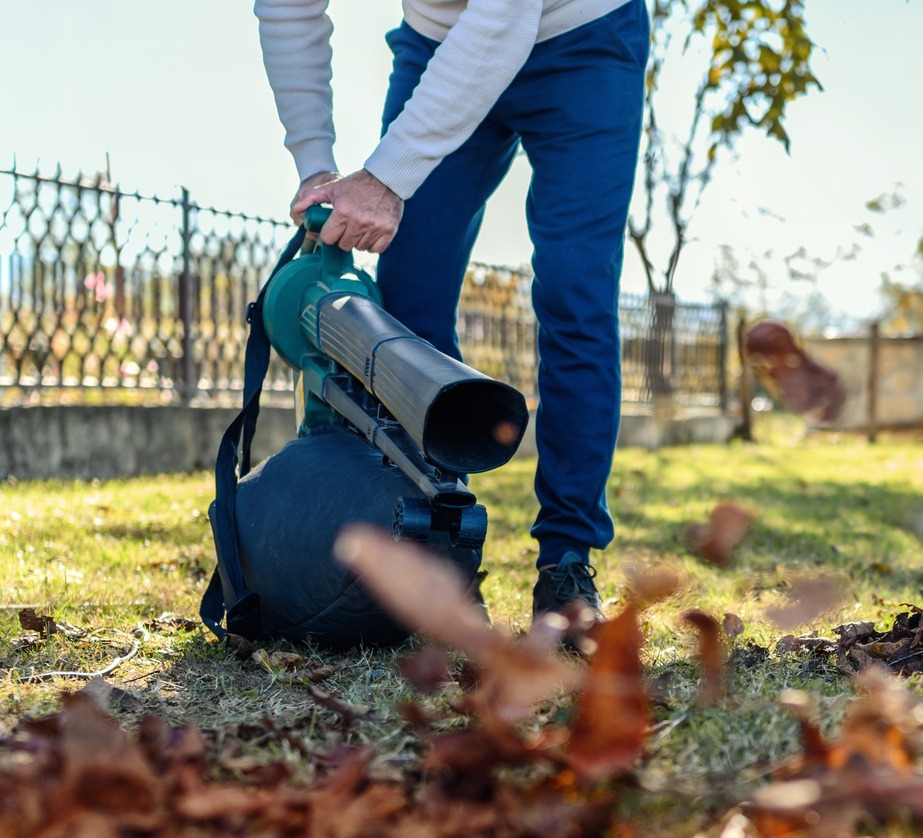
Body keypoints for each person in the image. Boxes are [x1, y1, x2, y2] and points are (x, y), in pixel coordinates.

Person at [255, 0, 649, 620]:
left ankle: (566, 564)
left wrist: (387, 177)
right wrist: (316, 161)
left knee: (576, 293)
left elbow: (506, 16)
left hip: (583, 36)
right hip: (437, 44)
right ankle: (444, 549)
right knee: (409, 300)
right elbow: (288, 10)